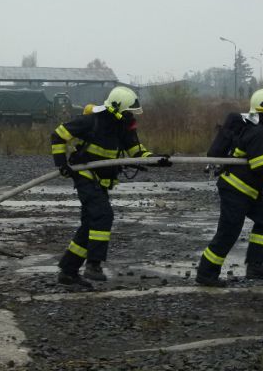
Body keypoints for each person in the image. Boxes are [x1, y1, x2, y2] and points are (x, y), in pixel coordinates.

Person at [51, 86, 172, 287]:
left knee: (90, 225)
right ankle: (94, 265)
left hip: (101, 181)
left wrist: (156, 160)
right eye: (128, 112)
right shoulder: (92, 120)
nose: (131, 116)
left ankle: (68, 272)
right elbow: (58, 135)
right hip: (86, 175)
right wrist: (61, 164)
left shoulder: (123, 126)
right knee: (103, 215)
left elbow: (136, 151)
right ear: (117, 108)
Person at [196, 88, 263, 287]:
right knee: (229, 232)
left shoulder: (261, 131)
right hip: (235, 190)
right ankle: (206, 273)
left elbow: (259, 154)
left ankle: (256, 266)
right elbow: (260, 166)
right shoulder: (258, 132)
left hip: (249, 191)